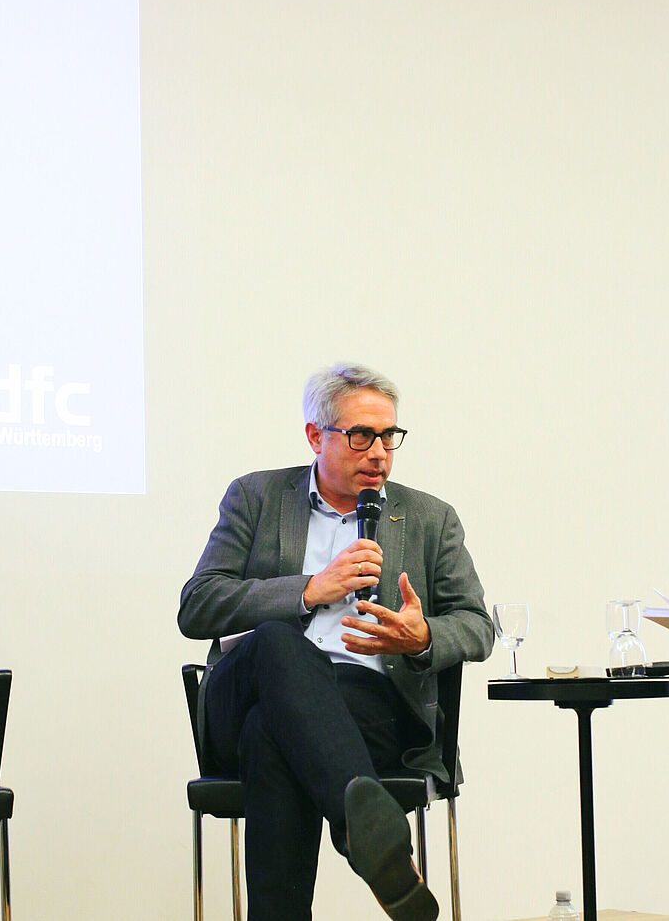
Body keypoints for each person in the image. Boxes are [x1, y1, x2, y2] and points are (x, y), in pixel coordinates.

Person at [178, 363, 493, 921]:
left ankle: (362, 827)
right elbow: (198, 603)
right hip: (246, 684)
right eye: (361, 436)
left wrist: (421, 637)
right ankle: (367, 835)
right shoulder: (256, 496)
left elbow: (476, 624)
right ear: (314, 436)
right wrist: (307, 590)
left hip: (364, 708)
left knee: (271, 733)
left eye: (389, 437)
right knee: (278, 643)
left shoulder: (428, 518)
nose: (379, 453)